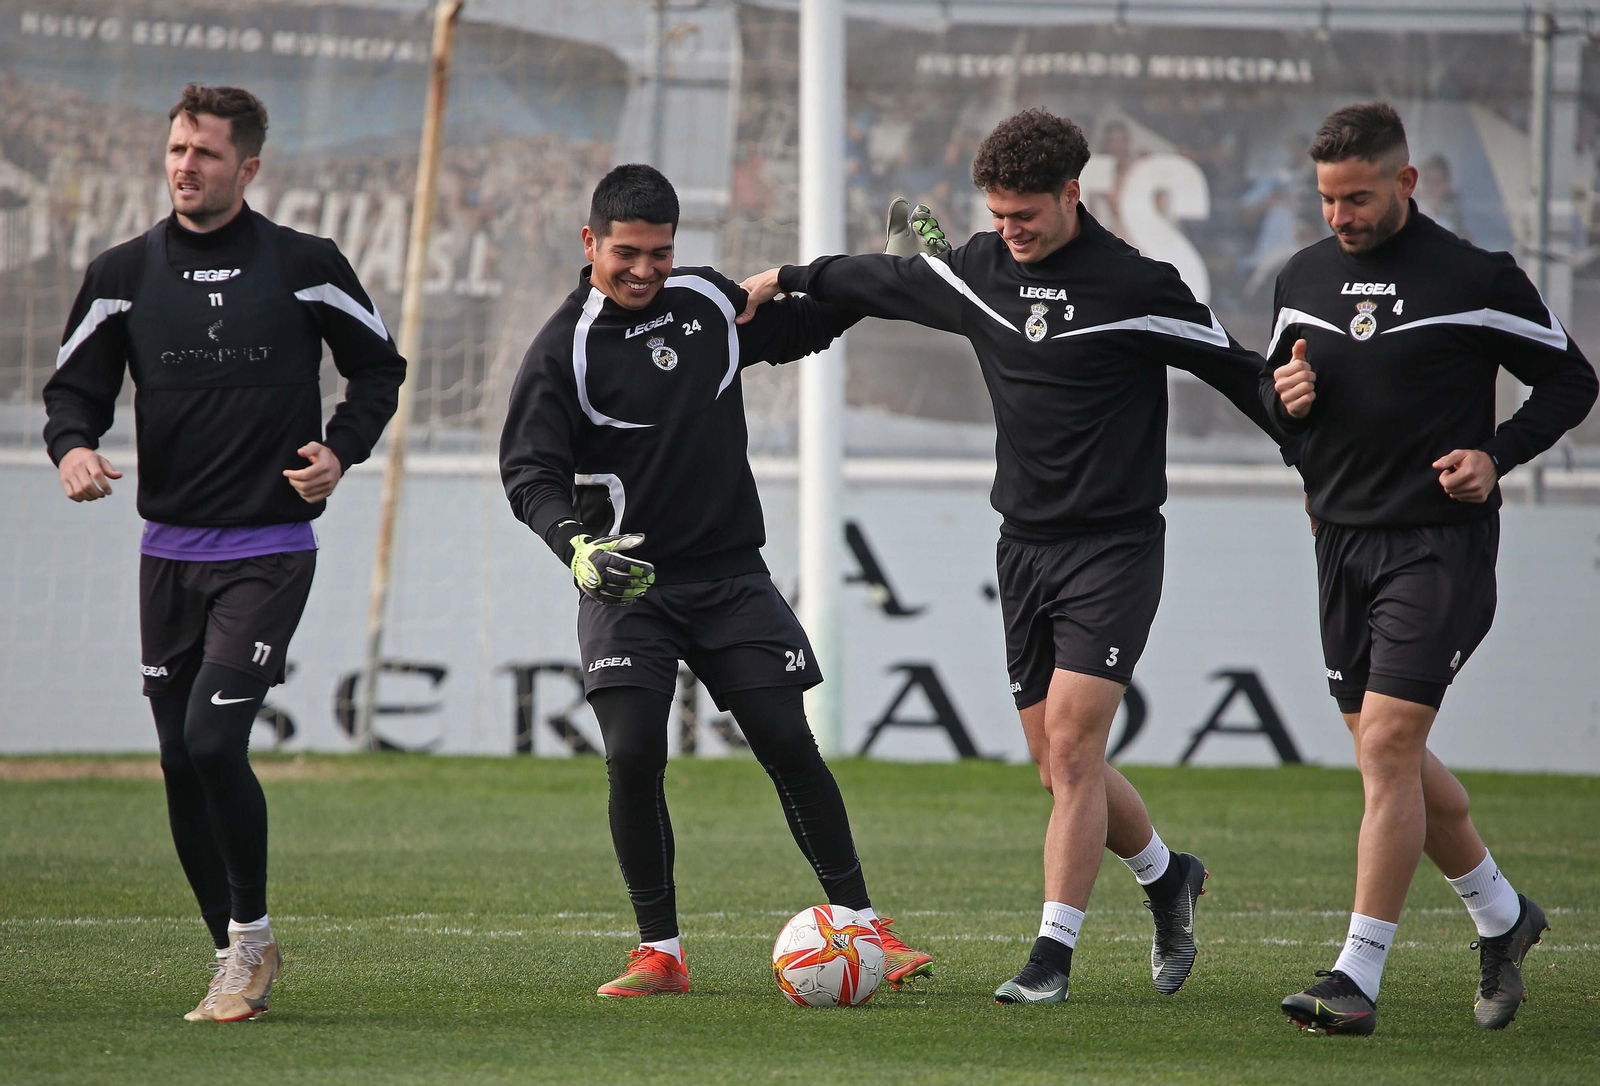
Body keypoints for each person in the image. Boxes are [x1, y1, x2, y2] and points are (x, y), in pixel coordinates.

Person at [741, 108, 1290, 1005]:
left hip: (1114, 549)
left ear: (1074, 193)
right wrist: (783, 277)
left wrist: (1314, 453)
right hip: (1023, 549)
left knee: (1074, 750)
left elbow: (1242, 374)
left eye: (1023, 215)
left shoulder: (1140, 286)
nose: (1009, 232)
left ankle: (1051, 959)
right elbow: (883, 277)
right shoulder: (982, 273)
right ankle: (1167, 877)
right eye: (995, 216)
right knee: (1055, 766)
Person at [498, 163, 933, 998]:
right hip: (630, 586)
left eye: (659, 253)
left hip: (732, 575)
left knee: (785, 741)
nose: (643, 270)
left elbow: (800, 328)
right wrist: (576, 548)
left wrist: (886, 272)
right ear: (590, 242)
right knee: (633, 755)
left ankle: (865, 929)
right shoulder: (563, 347)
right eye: (626, 252)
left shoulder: (703, 301)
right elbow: (528, 473)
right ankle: (660, 953)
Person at [42, 83, 406, 1022]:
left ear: (247, 167)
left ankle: (249, 941)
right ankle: (234, 951)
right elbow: (71, 392)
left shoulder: (305, 263)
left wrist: (341, 447)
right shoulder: (122, 271)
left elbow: (379, 367)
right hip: (166, 551)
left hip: (271, 548)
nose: (183, 167)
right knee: (178, 758)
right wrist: (74, 448)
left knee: (213, 738)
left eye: (204, 153)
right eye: (174, 149)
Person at [1266, 102, 1596, 1035]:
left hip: (1437, 547)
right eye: (1328, 198)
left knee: (1386, 749)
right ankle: (1503, 915)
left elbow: (1572, 380)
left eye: (1359, 197)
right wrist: (1283, 398)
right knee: (1390, 757)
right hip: (1339, 542)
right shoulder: (1301, 275)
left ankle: (1355, 975)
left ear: (1406, 182)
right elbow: (1276, 388)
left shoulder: (1476, 277)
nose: (1341, 216)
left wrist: (1499, 453)